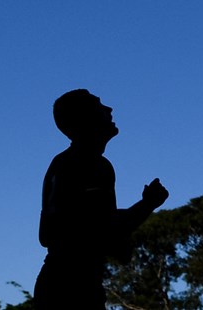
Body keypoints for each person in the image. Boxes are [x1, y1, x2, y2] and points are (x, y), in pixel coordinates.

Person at [35, 89, 168, 309]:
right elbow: (105, 228)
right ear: (85, 120)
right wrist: (148, 204)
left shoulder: (63, 163)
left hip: (63, 283)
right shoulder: (92, 165)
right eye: (99, 106)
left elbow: (60, 230)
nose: (109, 109)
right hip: (73, 286)